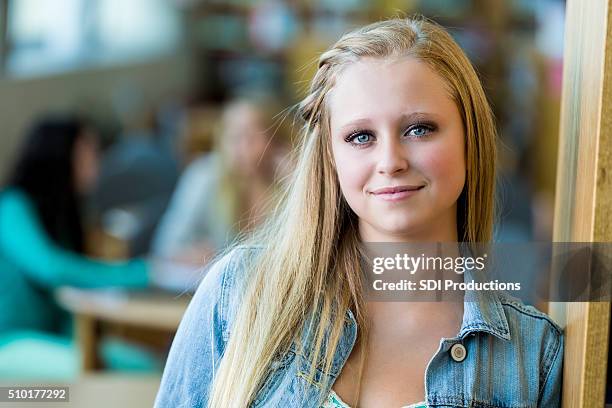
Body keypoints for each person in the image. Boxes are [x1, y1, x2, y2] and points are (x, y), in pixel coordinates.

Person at [155, 17, 563, 407]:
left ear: (470, 139)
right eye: (360, 136)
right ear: (331, 158)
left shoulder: (533, 354)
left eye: (419, 128)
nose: (390, 161)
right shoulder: (238, 293)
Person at [0, 116, 153, 378]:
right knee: (96, 375)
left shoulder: (62, 216)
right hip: (10, 342)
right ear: (61, 156)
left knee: (144, 365)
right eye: (88, 152)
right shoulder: (12, 207)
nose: (97, 161)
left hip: (50, 339)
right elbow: (51, 269)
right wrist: (141, 273)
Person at [151, 98, 288, 265]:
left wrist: (295, 184)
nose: (242, 148)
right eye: (233, 137)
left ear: (275, 141)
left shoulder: (288, 180)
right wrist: (197, 254)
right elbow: (165, 246)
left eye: (251, 137)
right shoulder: (203, 176)